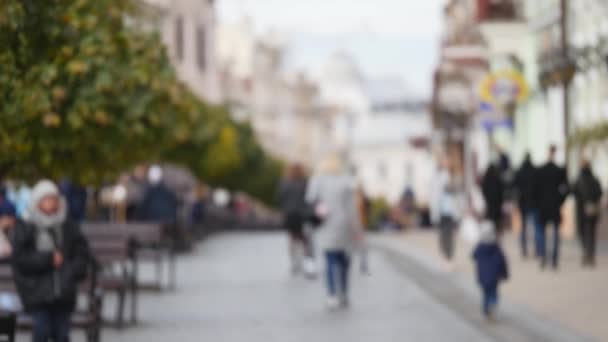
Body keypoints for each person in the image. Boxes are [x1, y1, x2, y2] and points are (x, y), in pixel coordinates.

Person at [12, 180, 90, 342]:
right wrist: (48, 259)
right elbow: (20, 259)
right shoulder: (26, 226)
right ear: (37, 202)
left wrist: (70, 270)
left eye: (53, 199)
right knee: (41, 330)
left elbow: (82, 254)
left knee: (62, 334)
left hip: (63, 291)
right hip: (36, 291)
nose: (51, 203)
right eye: (46, 199)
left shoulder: (67, 225)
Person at [307, 154, 362, 309]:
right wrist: (357, 228)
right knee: (344, 259)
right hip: (344, 223)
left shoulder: (317, 180)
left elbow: (310, 200)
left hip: (325, 223)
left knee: (330, 259)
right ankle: (343, 292)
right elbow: (352, 208)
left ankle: (331, 294)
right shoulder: (345, 181)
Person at [536, 145, 569, 270]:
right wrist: (560, 201)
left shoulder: (542, 170)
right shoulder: (559, 170)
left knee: (544, 233)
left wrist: (538, 203)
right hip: (554, 206)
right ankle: (553, 259)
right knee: (554, 233)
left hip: (544, 207)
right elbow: (566, 189)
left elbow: (536, 190)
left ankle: (545, 258)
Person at [276, 164, 313, 276]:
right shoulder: (305, 182)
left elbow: (279, 197)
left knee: (292, 238)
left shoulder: (285, 182)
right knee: (304, 239)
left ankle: (294, 262)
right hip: (302, 214)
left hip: (289, 214)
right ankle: (306, 261)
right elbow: (310, 198)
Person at [431, 157, 464, 268]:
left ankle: (449, 257)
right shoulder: (438, 177)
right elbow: (435, 194)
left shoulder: (454, 177)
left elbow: (458, 193)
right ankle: (445, 257)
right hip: (442, 211)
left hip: (451, 211)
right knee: (443, 236)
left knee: (450, 236)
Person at [472, 224, 509, 321]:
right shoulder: (496, 247)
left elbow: (473, 256)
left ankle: (486, 310)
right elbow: (503, 261)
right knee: (493, 293)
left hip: (483, 276)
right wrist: (504, 274)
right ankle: (492, 304)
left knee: (485, 294)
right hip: (494, 276)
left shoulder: (480, 247)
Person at [573, 159, 603, 267]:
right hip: (593, 210)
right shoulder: (594, 179)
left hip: (582, 212)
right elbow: (600, 192)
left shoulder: (579, 179)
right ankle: (590, 255)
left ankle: (586, 254)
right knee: (591, 234)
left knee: (584, 233)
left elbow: (574, 192)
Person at [513, 153, 541, 258]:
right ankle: (537, 250)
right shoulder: (535, 171)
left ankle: (524, 250)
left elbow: (515, 187)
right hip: (534, 203)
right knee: (536, 228)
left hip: (523, 203)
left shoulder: (520, 172)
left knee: (523, 228)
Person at [481, 162, 505, 236]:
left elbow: (483, 191)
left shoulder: (486, 179)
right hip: (497, 205)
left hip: (490, 204)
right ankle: (496, 235)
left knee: (490, 222)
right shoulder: (498, 178)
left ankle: (491, 235)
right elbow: (501, 191)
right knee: (496, 222)